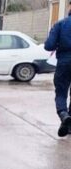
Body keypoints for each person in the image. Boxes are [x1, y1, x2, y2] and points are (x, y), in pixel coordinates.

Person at [45, 9, 71, 137]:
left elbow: (49, 46)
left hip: (64, 63)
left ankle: (63, 114)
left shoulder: (60, 24)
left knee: (61, 92)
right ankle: (68, 122)